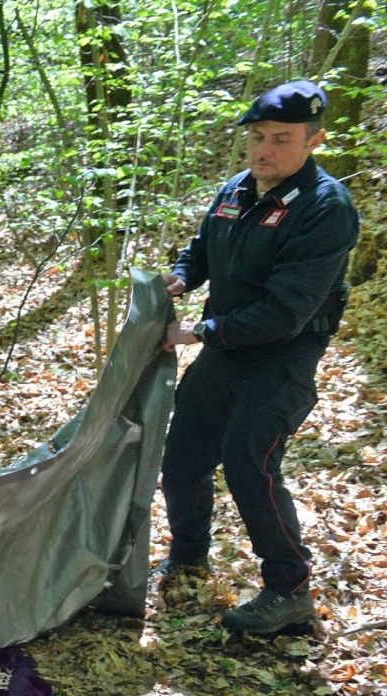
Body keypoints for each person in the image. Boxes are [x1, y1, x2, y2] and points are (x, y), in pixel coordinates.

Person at [158, 80, 359, 636]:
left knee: (250, 461)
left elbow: (286, 312)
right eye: (258, 137)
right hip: (226, 349)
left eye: (282, 140)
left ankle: (290, 589)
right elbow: (201, 247)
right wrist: (180, 276)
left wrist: (198, 329)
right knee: (182, 460)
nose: (265, 151)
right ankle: (188, 557)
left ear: (314, 142)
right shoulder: (237, 190)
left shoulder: (325, 209)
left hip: (281, 357)